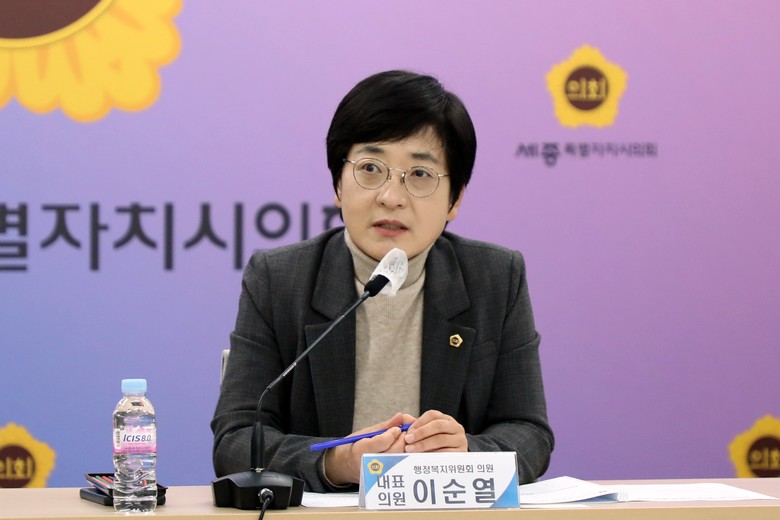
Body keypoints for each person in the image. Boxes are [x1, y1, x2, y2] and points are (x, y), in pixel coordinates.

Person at [211, 70, 553, 492]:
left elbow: (529, 432)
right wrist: (336, 463)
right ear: (339, 185)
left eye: (420, 174)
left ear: (456, 199)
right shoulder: (279, 279)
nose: (391, 197)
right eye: (370, 168)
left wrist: (467, 453)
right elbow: (236, 439)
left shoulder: (495, 277)